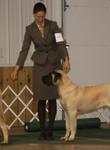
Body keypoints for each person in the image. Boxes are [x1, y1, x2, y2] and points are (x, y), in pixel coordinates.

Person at [11, 2, 70, 140]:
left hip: (55, 63)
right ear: (34, 15)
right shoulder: (30, 29)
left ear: (45, 15)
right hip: (40, 65)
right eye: (38, 17)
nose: (41, 20)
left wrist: (66, 59)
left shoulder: (53, 25)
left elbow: (61, 43)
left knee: (52, 98)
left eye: (42, 17)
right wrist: (16, 68)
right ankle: (42, 130)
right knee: (42, 99)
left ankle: (50, 130)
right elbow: (24, 49)